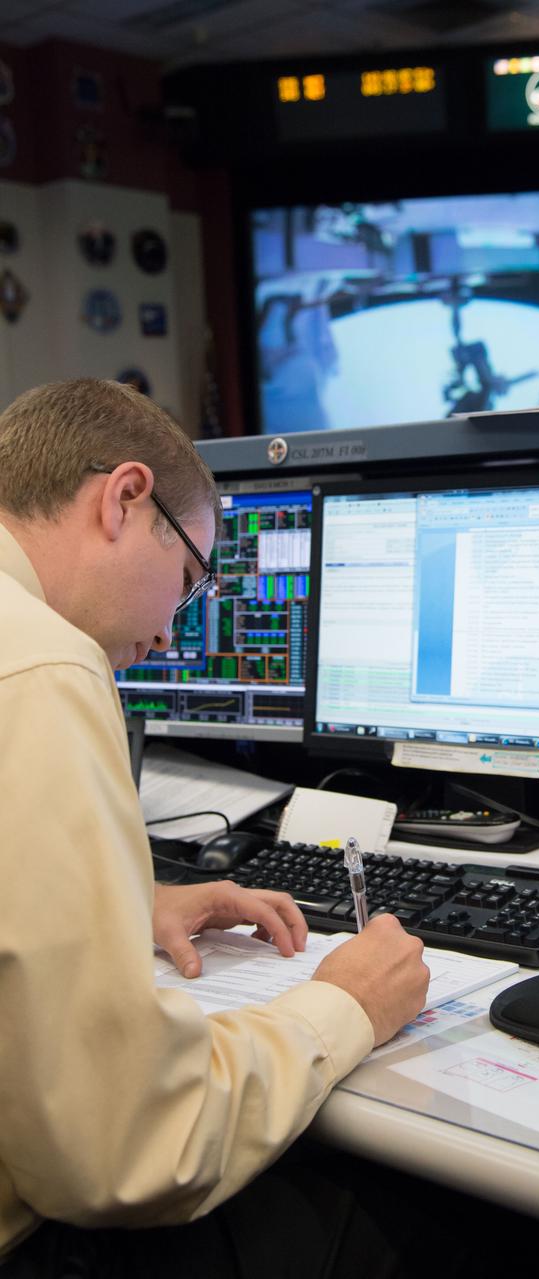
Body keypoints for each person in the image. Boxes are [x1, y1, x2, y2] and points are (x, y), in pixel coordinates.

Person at [0, 379, 429, 1276]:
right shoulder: (41, 665)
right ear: (123, 498)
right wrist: (344, 1005)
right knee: (416, 1224)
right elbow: (130, 1149)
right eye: (191, 580)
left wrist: (120, 902)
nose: (166, 636)